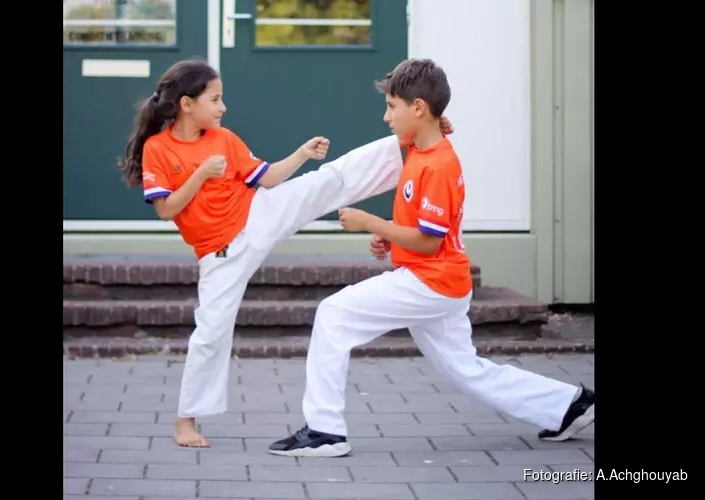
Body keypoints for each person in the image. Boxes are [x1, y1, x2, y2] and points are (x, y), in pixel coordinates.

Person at [116, 57, 454, 448]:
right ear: (187, 104)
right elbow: (166, 210)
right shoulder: (159, 148)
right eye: (216, 99)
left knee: (327, 180)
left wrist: (302, 153)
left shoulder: (225, 138)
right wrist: (201, 174)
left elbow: (269, 177)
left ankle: (409, 141)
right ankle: (185, 422)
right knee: (210, 334)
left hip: (258, 214)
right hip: (220, 253)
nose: (223, 107)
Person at [267, 58, 595, 458]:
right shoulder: (420, 149)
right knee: (466, 370)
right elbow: (421, 224)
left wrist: (372, 222)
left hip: (430, 280)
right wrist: (390, 239)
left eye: (392, 107)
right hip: (440, 281)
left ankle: (325, 432)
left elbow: (427, 242)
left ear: (418, 108)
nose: (386, 117)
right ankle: (571, 406)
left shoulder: (438, 164)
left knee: (333, 314)